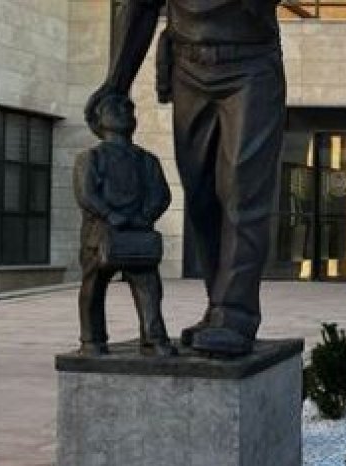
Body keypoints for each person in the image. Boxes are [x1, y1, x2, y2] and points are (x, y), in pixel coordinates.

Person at [88, 0, 285, 356]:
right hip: (188, 67)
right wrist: (116, 82)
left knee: (242, 190)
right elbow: (141, 6)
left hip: (250, 64)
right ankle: (218, 307)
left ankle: (235, 314)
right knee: (201, 196)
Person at [74, 93, 176, 358]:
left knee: (149, 287)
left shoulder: (147, 160)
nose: (124, 111)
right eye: (114, 108)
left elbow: (161, 194)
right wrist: (110, 214)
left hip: (137, 234)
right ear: (98, 120)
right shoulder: (91, 158)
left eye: (128, 108)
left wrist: (145, 216)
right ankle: (92, 340)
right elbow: (86, 194)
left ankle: (153, 338)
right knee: (93, 288)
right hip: (100, 236)